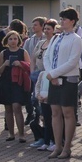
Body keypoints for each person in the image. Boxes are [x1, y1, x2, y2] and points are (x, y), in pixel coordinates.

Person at [44, 8, 82, 159]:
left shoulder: (76, 39)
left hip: (68, 79)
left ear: (72, 21)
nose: (61, 22)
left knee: (68, 113)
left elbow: (72, 61)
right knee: (55, 112)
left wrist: (54, 73)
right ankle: (57, 146)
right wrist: (50, 74)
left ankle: (67, 147)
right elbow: (47, 56)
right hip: (54, 79)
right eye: (60, 19)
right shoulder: (55, 38)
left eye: (64, 19)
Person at [0, 30, 31, 143]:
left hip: (18, 82)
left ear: (19, 40)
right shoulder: (3, 53)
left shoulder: (23, 51)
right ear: (7, 41)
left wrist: (20, 64)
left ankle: (21, 134)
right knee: (8, 108)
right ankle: (11, 133)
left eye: (15, 38)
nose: (13, 41)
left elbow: (29, 66)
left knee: (17, 107)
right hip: (6, 82)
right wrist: (5, 64)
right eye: (10, 39)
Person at [30, 19, 56, 149]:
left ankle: (52, 139)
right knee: (38, 108)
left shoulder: (55, 42)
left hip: (50, 76)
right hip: (39, 76)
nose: (46, 31)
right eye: (45, 28)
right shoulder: (40, 43)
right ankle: (43, 138)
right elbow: (33, 58)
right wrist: (32, 72)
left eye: (48, 29)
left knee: (49, 110)